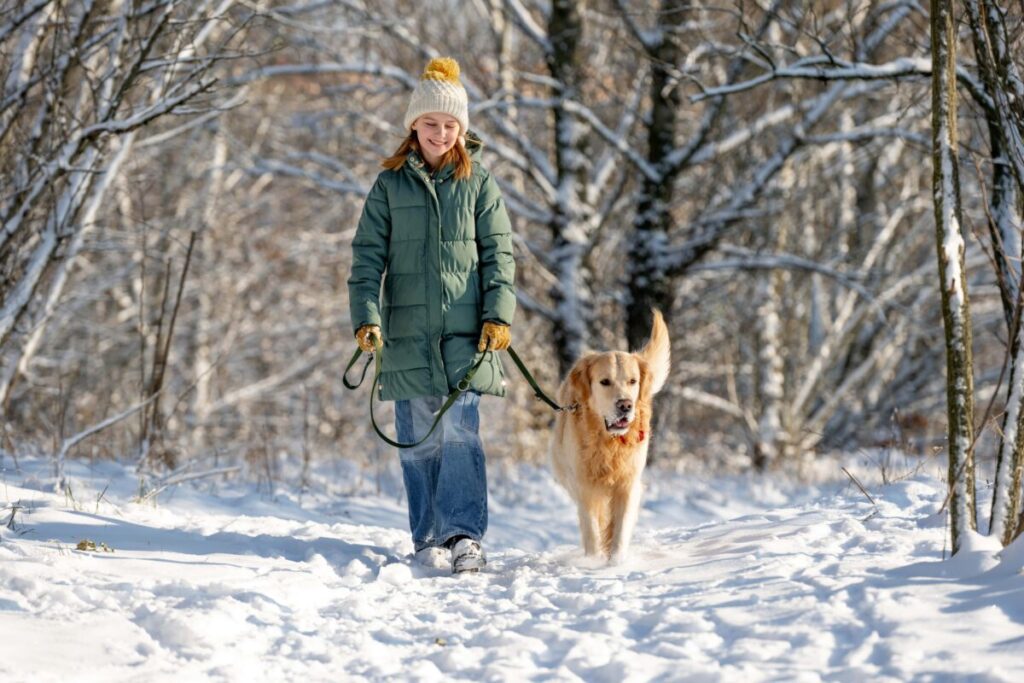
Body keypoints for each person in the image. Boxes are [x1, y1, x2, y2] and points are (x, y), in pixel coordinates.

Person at [347, 57, 516, 574]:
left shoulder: (480, 183)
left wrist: (499, 314)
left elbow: (499, 254)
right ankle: (428, 536)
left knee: (461, 433)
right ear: (413, 126)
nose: (440, 133)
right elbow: (366, 257)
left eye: (450, 125)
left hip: (469, 335)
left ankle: (464, 534)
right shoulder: (389, 186)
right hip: (407, 334)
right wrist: (366, 318)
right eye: (430, 123)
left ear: (461, 129)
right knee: (419, 438)